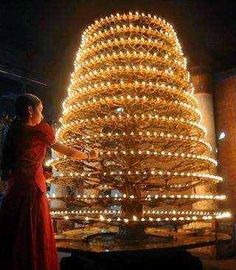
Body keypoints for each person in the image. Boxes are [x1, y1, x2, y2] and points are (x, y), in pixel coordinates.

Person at [0, 93, 98, 270]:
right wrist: (89, 155)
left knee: (14, 239)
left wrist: (42, 174)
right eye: (41, 110)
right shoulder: (40, 129)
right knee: (34, 238)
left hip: (13, 193)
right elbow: (67, 151)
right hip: (33, 194)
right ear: (30, 110)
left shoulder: (12, 130)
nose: (42, 115)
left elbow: (18, 164)